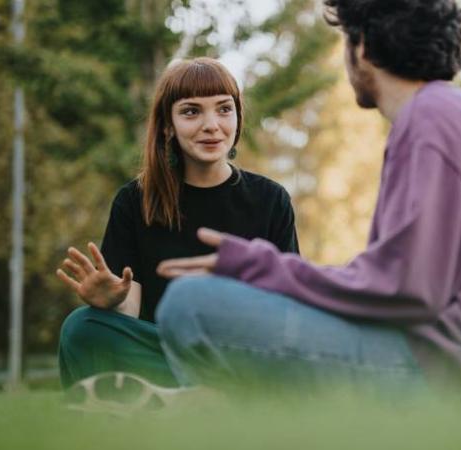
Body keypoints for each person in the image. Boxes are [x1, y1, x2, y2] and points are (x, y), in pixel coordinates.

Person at [154, 0, 461, 400]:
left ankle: (214, 420)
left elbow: (405, 288)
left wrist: (257, 266)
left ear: (363, 47)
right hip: (455, 366)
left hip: (452, 379)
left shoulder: (431, 121)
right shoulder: (446, 113)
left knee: (190, 304)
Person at [55, 57, 299, 389]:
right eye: (191, 111)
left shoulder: (272, 200)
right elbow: (131, 308)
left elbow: (287, 310)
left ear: (238, 117)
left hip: (241, 358)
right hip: (165, 356)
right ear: (168, 125)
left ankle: (208, 399)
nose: (211, 124)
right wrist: (112, 302)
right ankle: (194, 400)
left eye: (224, 109)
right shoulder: (134, 201)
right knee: (81, 328)